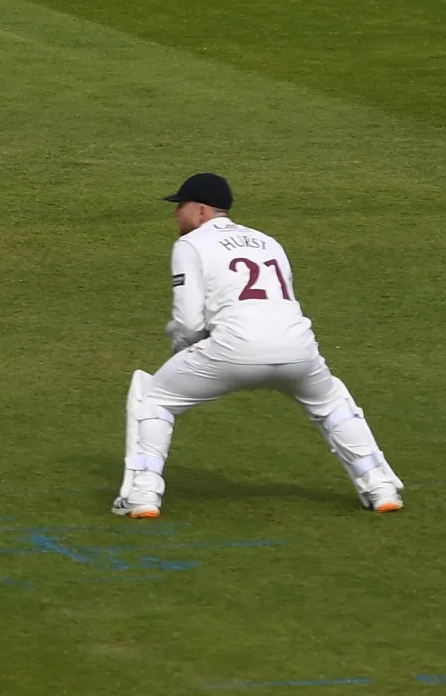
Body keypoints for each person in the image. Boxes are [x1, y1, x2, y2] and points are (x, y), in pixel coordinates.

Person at [115, 173, 403, 518]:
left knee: (153, 397)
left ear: (202, 210)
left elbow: (191, 323)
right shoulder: (267, 241)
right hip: (298, 348)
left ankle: (143, 495)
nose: (176, 213)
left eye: (181, 205)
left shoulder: (190, 245)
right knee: (332, 402)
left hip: (233, 349)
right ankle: (380, 487)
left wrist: (182, 347)